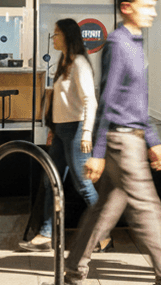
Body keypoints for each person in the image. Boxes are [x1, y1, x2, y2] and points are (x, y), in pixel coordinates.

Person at [44, 0, 161, 285]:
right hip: (122, 142)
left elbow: (138, 101)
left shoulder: (134, 43)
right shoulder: (118, 44)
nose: (153, 12)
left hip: (129, 138)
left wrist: (153, 140)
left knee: (103, 210)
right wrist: (99, 151)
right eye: (147, 6)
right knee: (148, 210)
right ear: (126, 8)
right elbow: (108, 99)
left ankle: (72, 277)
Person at [19, 18, 108, 253]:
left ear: (67, 36)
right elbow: (62, 102)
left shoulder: (79, 63)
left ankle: (104, 235)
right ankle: (45, 234)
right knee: (51, 181)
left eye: (56, 33)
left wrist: (87, 133)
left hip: (77, 130)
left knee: (83, 184)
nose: (53, 38)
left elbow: (90, 101)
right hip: (61, 130)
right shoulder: (65, 62)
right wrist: (53, 129)